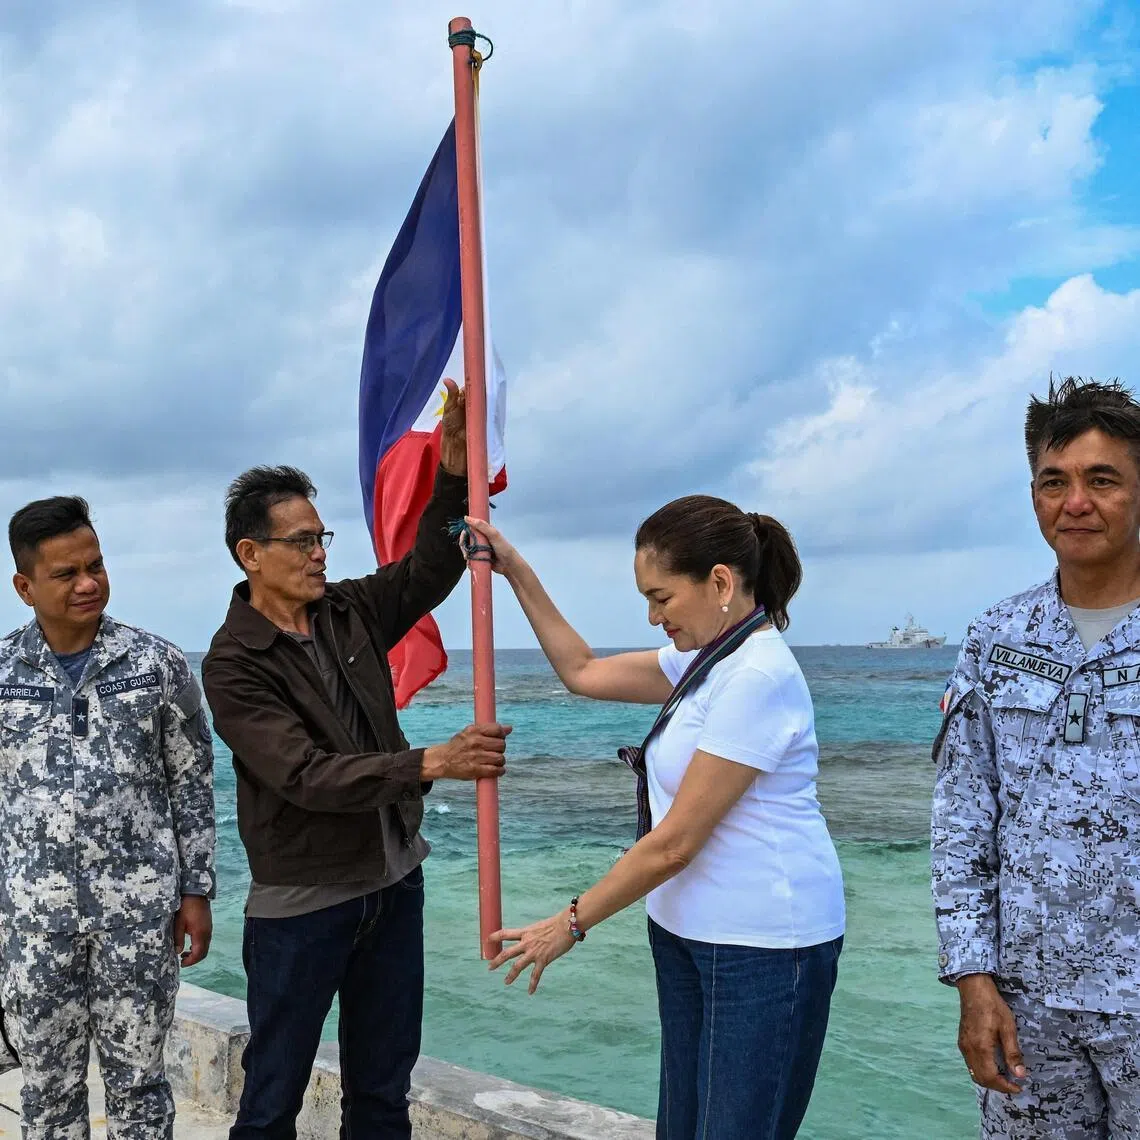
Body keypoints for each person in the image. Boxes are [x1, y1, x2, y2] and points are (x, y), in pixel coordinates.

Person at [465, 496, 846, 1140]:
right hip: (685, 932)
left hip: (763, 945)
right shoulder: (706, 662)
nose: (652, 615)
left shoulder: (756, 674)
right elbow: (582, 671)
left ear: (720, 582)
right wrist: (516, 571)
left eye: (662, 597)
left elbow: (675, 845)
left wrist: (569, 923)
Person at [202, 380, 511, 1140]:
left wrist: (451, 476)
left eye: (321, 539)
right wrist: (428, 763)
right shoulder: (232, 664)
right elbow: (303, 775)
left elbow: (428, 572)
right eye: (301, 542)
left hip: (394, 885)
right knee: (271, 1099)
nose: (317, 554)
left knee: (382, 1093)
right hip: (304, 905)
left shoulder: (348, 609)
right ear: (251, 554)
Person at [932, 376, 1140, 1138]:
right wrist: (972, 981)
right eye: (1054, 482)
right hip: (1028, 1012)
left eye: (1102, 480)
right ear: (1032, 496)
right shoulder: (997, 638)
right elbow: (961, 823)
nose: (1075, 502)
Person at [0, 495, 216, 1140]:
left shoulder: (157, 665)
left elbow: (192, 781)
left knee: (140, 1086)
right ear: (25, 586)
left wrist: (196, 889)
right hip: (32, 922)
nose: (88, 583)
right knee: (46, 1089)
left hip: (140, 915)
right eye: (66, 574)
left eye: (95, 565)